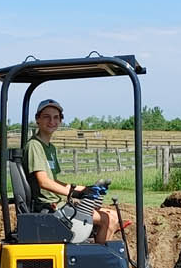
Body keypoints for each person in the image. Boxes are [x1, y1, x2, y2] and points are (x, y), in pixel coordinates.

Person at [23, 97, 119, 243]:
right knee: (109, 219)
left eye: (56, 118)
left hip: (59, 203)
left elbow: (53, 181)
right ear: (38, 119)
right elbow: (44, 182)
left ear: (60, 121)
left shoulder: (49, 148)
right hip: (50, 208)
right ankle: (100, 263)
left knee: (112, 215)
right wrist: (75, 192)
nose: (52, 121)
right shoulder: (34, 146)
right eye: (46, 117)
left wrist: (85, 189)